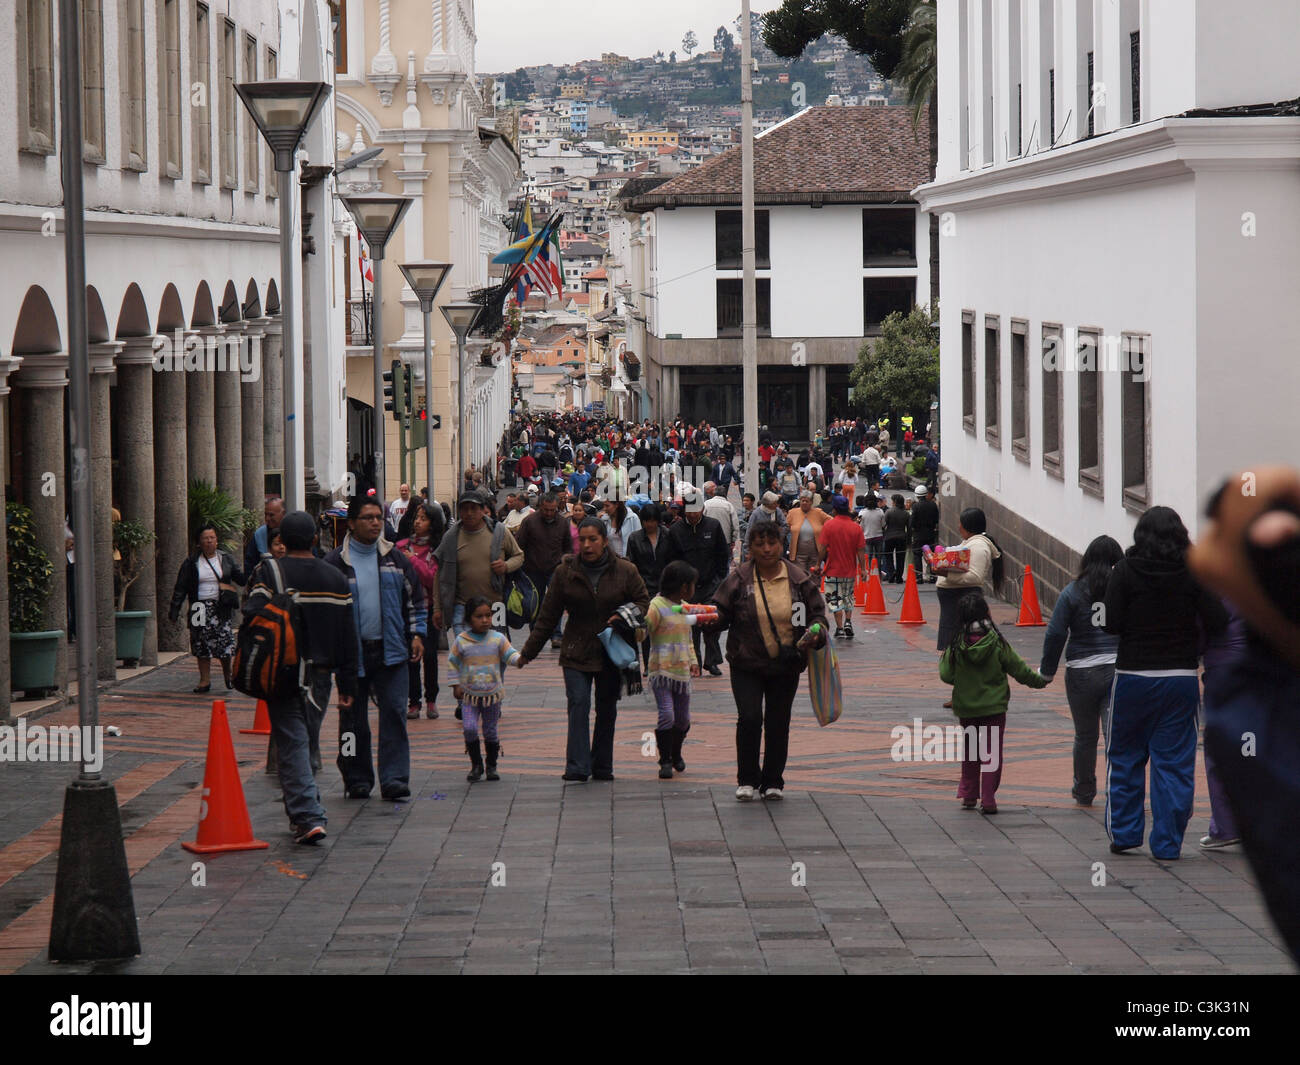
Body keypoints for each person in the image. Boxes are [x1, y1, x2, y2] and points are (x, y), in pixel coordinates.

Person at [1103, 506, 1227, 860]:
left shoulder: (1124, 571)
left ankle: (1125, 833)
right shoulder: (1194, 573)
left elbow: (1110, 622)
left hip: (1133, 677)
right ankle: (1167, 843)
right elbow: (1218, 620)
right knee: (1173, 762)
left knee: (1125, 755)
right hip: (1179, 679)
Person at [244, 511, 359, 843]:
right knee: (302, 738)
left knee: (294, 742)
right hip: (321, 675)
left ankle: (308, 816)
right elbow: (347, 634)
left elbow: (251, 614)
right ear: (314, 539)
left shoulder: (271, 572)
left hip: (283, 670)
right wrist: (348, 684)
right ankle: (305, 811)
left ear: (280, 540)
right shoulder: (336, 578)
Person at [519, 518, 650, 782]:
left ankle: (602, 765)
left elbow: (643, 602)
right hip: (576, 649)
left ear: (604, 541)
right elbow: (547, 616)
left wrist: (622, 615)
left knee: (606, 707)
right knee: (578, 703)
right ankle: (577, 766)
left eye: (593, 539)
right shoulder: (565, 572)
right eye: (583, 540)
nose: (587, 545)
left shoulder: (625, 570)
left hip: (610, 651)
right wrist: (527, 653)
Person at [709, 522, 827, 801]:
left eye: (771, 543)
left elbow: (814, 617)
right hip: (746, 662)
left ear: (781, 544)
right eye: (760, 543)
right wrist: (707, 618)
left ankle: (773, 780)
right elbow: (720, 611)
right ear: (751, 547)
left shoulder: (797, 580)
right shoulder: (739, 579)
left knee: (778, 721)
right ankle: (747, 779)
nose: (766, 549)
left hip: (785, 664)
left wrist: (815, 633)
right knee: (749, 718)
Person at [325, 496, 427, 801]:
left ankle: (394, 778)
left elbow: (416, 601)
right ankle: (356, 777)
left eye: (378, 518)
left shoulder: (396, 559)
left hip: (392, 650)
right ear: (352, 523)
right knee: (352, 721)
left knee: (394, 712)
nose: (374, 523)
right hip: (351, 655)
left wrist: (417, 634)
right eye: (367, 518)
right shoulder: (334, 564)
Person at [940, 591, 1048, 814]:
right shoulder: (996, 642)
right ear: (986, 613)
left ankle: (969, 795)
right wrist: (1040, 681)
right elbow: (1019, 669)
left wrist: (963, 679)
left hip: (967, 708)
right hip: (994, 708)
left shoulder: (956, 644)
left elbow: (946, 674)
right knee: (992, 753)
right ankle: (988, 798)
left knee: (971, 751)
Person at [1038, 535, 1123, 806]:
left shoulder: (1072, 591)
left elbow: (1055, 633)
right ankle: (1119, 790)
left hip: (1081, 673)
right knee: (1115, 736)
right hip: (1116, 670)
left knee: (1085, 736)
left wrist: (1047, 670)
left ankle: (1084, 789)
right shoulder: (1121, 590)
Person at [449, 595, 525, 782]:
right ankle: (476, 764)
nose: (484, 620)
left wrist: (521, 659)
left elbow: (510, 654)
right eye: (479, 616)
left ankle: (491, 765)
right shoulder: (461, 640)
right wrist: (455, 684)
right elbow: (453, 663)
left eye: (488, 615)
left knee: (490, 731)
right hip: (469, 696)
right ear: (469, 619)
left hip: (492, 695)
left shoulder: (498, 638)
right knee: (469, 728)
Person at [435, 492, 524, 644]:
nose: (469, 513)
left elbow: (519, 556)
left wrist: (506, 566)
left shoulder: (499, 531)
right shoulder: (451, 537)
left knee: (496, 658)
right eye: (464, 509)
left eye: (473, 508)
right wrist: (437, 608)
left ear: (483, 510)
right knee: (468, 656)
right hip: (462, 608)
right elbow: (440, 574)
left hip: (494, 606)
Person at [169, 524, 245, 693]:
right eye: (206, 538)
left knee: (224, 642)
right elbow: (180, 587)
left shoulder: (226, 558)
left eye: (212, 538)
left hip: (220, 606)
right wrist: (175, 609)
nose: (210, 541)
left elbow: (240, 578)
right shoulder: (191, 562)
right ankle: (204, 680)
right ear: (199, 543)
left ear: (217, 541)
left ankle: (228, 674)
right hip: (198, 606)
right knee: (200, 643)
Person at [645, 560, 702, 779]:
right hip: (661, 671)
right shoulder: (657, 605)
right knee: (666, 715)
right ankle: (665, 759)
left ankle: (676, 753)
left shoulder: (684, 607)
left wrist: (694, 661)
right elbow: (646, 627)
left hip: (682, 672)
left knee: (683, 719)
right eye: (691, 584)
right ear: (682, 586)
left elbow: (688, 638)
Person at [665, 499, 730, 677]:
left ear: (702, 509)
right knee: (690, 626)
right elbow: (672, 559)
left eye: (696, 510)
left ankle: (712, 661)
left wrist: (719, 578)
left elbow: (723, 554)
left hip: (711, 584)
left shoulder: (713, 526)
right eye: (689, 511)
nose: (693, 515)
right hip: (686, 587)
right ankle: (695, 662)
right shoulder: (676, 530)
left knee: (711, 622)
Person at [397, 501, 445, 721]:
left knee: (430, 656)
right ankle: (413, 702)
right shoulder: (401, 547)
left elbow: (430, 578)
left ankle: (431, 700)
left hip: (428, 609)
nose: (418, 522)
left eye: (423, 518)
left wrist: (412, 560)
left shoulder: (435, 550)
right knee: (411, 657)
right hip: (405, 610)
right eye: (416, 517)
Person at [935, 508, 1003, 652]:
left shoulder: (979, 546)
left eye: (960, 523)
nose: (958, 526)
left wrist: (946, 574)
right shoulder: (971, 543)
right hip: (955, 603)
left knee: (963, 647)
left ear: (968, 525)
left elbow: (974, 577)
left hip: (962, 601)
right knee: (955, 648)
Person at [818, 495, 866, 640]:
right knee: (848, 596)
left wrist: (817, 564)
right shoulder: (856, 527)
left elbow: (822, 547)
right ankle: (848, 622)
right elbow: (861, 550)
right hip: (850, 570)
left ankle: (839, 628)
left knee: (834, 598)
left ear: (835, 509)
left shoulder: (829, 526)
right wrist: (863, 569)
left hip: (832, 569)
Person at [787, 491, 827, 576]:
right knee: (800, 575)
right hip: (798, 551)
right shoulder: (792, 513)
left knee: (814, 575)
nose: (804, 503)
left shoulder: (819, 513)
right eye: (802, 501)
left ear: (811, 502)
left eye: (807, 501)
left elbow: (831, 522)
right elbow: (785, 527)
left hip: (815, 551)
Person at [244, 496, 286, 574]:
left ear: (283, 513)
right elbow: (250, 564)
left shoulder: (294, 532)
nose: (267, 518)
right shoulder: (259, 534)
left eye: (271, 515)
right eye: (265, 514)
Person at [909, 486, 940, 581]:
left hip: (918, 534)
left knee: (917, 554)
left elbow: (912, 521)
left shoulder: (915, 506)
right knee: (931, 554)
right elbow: (936, 519)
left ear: (917, 495)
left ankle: (919, 577)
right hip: (930, 533)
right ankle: (932, 575)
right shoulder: (933, 505)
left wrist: (913, 529)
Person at [882, 494, 911, 584]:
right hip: (902, 537)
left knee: (888, 556)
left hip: (889, 537)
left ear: (894, 502)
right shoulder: (906, 513)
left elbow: (883, 525)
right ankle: (899, 577)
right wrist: (908, 540)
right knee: (900, 558)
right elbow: (909, 528)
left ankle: (891, 573)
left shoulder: (889, 512)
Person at [858, 493, 886, 577]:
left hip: (867, 537)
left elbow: (860, 527)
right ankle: (878, 574)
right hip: (878, 536)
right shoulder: (880, 512)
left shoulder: (862, 513)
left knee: (868, 557)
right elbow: (883, 525)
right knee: (878, 557)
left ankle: (869, 574)